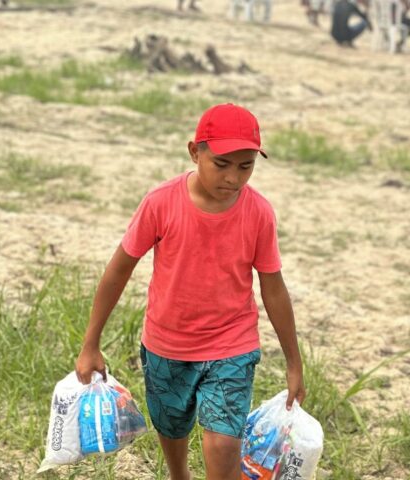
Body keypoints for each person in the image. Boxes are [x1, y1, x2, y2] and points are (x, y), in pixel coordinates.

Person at [75, 104, 306, 480]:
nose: (233, 177)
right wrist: (90, 343)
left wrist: (294, 363)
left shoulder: (259, 213)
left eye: (245, 166)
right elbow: (119, 270)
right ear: (194, 152)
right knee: (172, 425)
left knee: (223, 444)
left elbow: (274, 289)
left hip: (232, 343)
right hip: (167, 343)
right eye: (221, 163)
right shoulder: (161, 203)